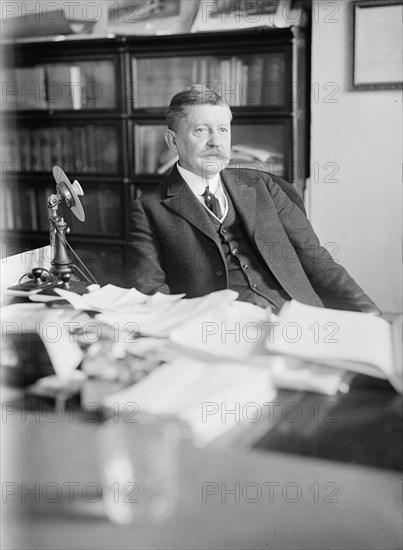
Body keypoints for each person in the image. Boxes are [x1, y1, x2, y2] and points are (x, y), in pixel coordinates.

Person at [126, 85, 380, 315]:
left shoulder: (263, 186)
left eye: (223, 130)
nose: (216, 142)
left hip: (300, 316)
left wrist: (368, 312)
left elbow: (315, 257)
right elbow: (151, 292)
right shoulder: (148, 209)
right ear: (173, 141)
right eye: (201, 130)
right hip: (222, 332)